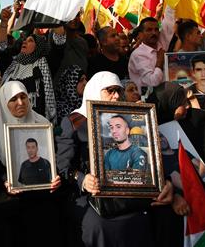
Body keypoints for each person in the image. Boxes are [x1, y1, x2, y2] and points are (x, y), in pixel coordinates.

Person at [56, 71, 173, 247]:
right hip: (92, 195)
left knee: (163, 212)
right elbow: (63, 166)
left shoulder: (132, 118)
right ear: (95, 90)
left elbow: (149, 157)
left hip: (130, 191)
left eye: (119, 91)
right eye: (110, 90)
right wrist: (82, 179)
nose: (116, 96)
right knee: (99, 225)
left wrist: (165, 182)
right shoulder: (75, 122)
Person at [0, 81, 61, 247]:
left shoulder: (42, 124)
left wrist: (56, 178)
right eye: (13, 99)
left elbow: (54, 163)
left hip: (39, 199)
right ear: (4, 103)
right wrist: (3, 182)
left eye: (23, 97)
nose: (20, 103)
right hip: (7, 201)